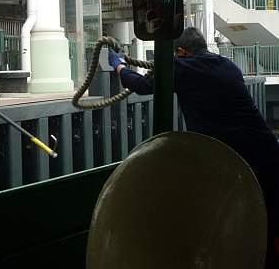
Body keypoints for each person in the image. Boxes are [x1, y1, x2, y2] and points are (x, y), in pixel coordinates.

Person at [109, 27, 279, 268]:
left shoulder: (182, 68)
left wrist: (117, 64)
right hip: (266, 151)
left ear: (181, 51)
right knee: (269, 223)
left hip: (231, 160)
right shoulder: (227, 65)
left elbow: (140, 85)